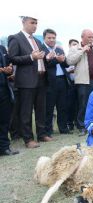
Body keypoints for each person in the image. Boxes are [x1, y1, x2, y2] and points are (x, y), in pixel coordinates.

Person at [8, 15, 53, 148]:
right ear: (24, 22)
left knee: (40, 109)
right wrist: (31, 57)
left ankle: (42, 134)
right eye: (32, 22)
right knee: (26, 111)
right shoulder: (15, 38)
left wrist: (47, 58)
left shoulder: (38, 41)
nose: (35, 25)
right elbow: (13, 58)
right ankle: (28, 139)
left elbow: (39, 59)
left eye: (36, 23)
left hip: (41, 79)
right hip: (26, 81)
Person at [66, 29, 93, 136]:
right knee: (83, 104)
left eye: (92, 37)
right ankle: (82, 126)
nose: (91, 39)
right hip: (83, 82)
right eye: (89, 37)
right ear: (82, 37)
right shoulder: (75, 48)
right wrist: (82, 50)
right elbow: (69, 61)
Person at [42, 28, 71, 136]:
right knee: (49, 107)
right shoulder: (42, 49)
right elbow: (44, 65)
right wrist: (55, 60)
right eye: (49, 38)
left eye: (53, 38)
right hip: (49, 82)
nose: (51, 40)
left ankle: (63, 128)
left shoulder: (59, 49)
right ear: (44, 38)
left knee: (62, 106)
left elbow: (67, 64)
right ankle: (48, 130)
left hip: (62, 80)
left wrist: (63, 60)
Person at [0, 44, 19, 156]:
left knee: (4, 120)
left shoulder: (2, 48)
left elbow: (8, 66)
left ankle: (4, 147)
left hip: (4, 88)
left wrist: (9, 69)